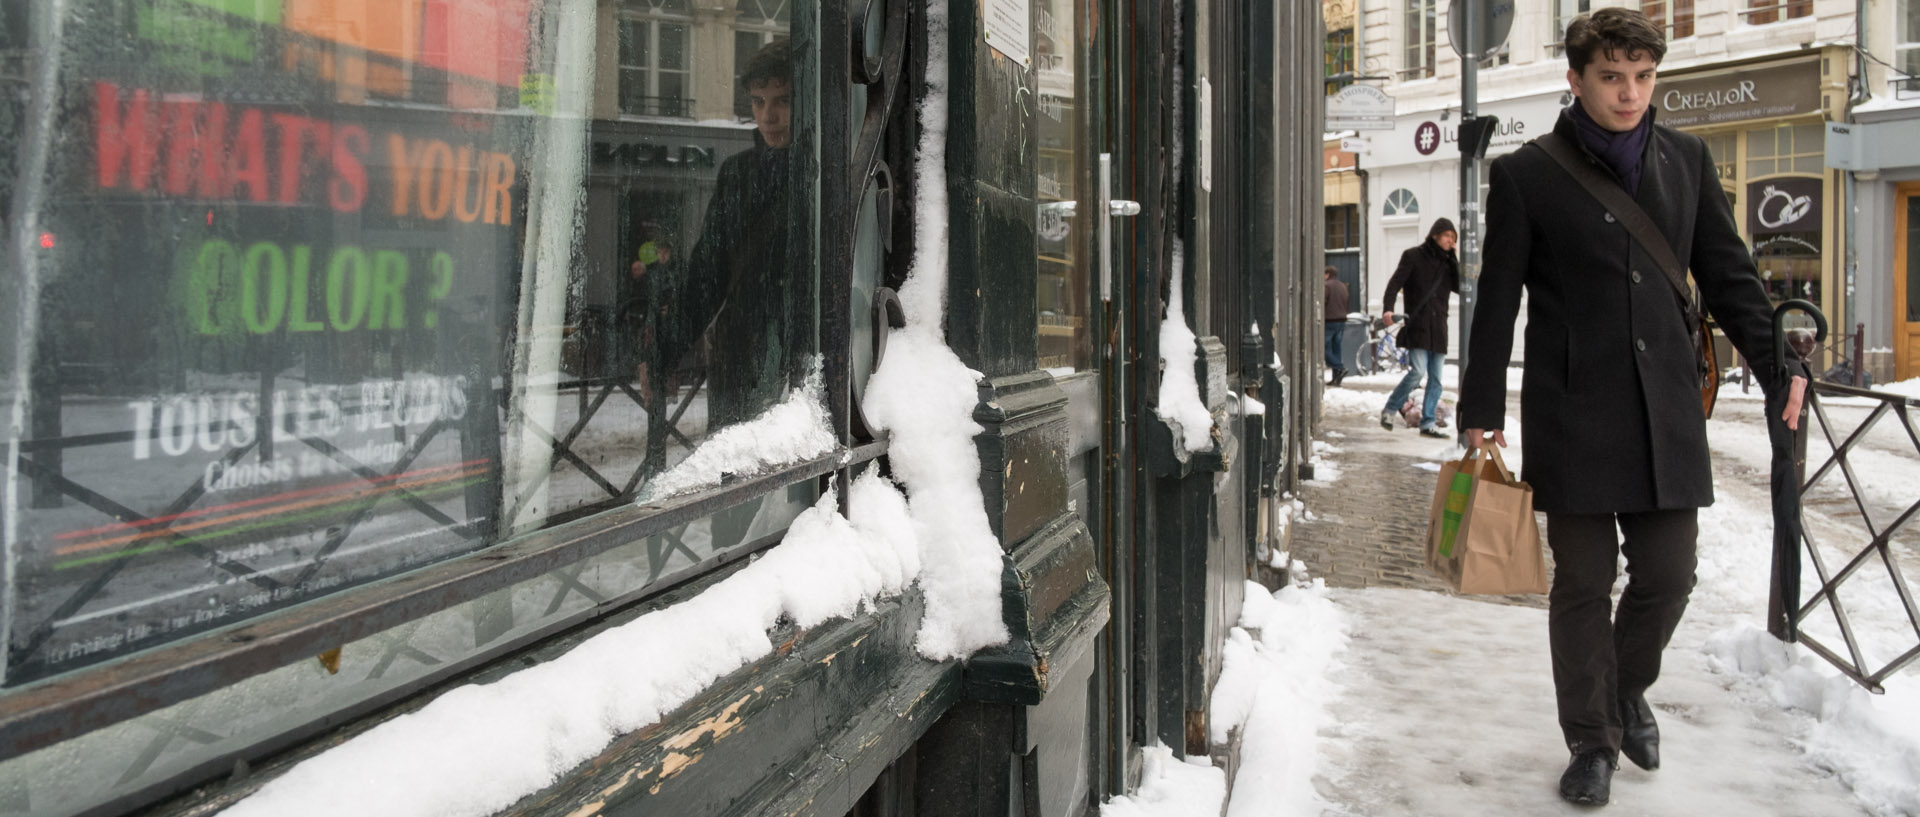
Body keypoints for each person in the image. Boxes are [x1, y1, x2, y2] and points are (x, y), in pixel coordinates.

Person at [1457, 8, 1808, 806]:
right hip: (1573, 410)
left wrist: (1777, 361)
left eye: (1643, 78)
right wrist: (1481, 405)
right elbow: (1497, 303)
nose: (1629, 93)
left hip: (1666, 411)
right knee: (1582, 583)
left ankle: (1623, 688)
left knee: (1670, 575)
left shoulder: (1686, 159)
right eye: (1612, 78)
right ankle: (1591, 741)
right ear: (1575, 80)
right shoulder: (1526, 174)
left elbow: (1728, 275)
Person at [656, 38, 802, 429]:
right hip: (740, 361)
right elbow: (708, 269)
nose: (768, 116)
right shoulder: (738, 174)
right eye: (758, 102)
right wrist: (665, 351)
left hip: (799, 368)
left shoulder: (821, 175)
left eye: (782, 100)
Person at [1380, 218, 1459, 438]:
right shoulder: (1413, 256)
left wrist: (1454, 258)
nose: (1450, 241)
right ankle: (1390, 408)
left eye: (1453, 238)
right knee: (1417, 372)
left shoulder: (1447, 263)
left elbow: (1462, 287)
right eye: (1447, 236)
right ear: (1435, 235)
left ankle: (1428, 423)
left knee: (1436, 379)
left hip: (1439, 328)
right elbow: (1394, 283)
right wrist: (1388, 309)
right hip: (1419, 325)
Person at [1323, 266, 1350, 387]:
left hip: (1330, 321)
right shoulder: (1343, 286)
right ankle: (1336, 378)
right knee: (1336, 349)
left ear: (1328, 274)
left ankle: (1339, 367)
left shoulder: (1327, 285)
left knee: (1323, 348)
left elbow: (1323, 301)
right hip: (1341, 321)